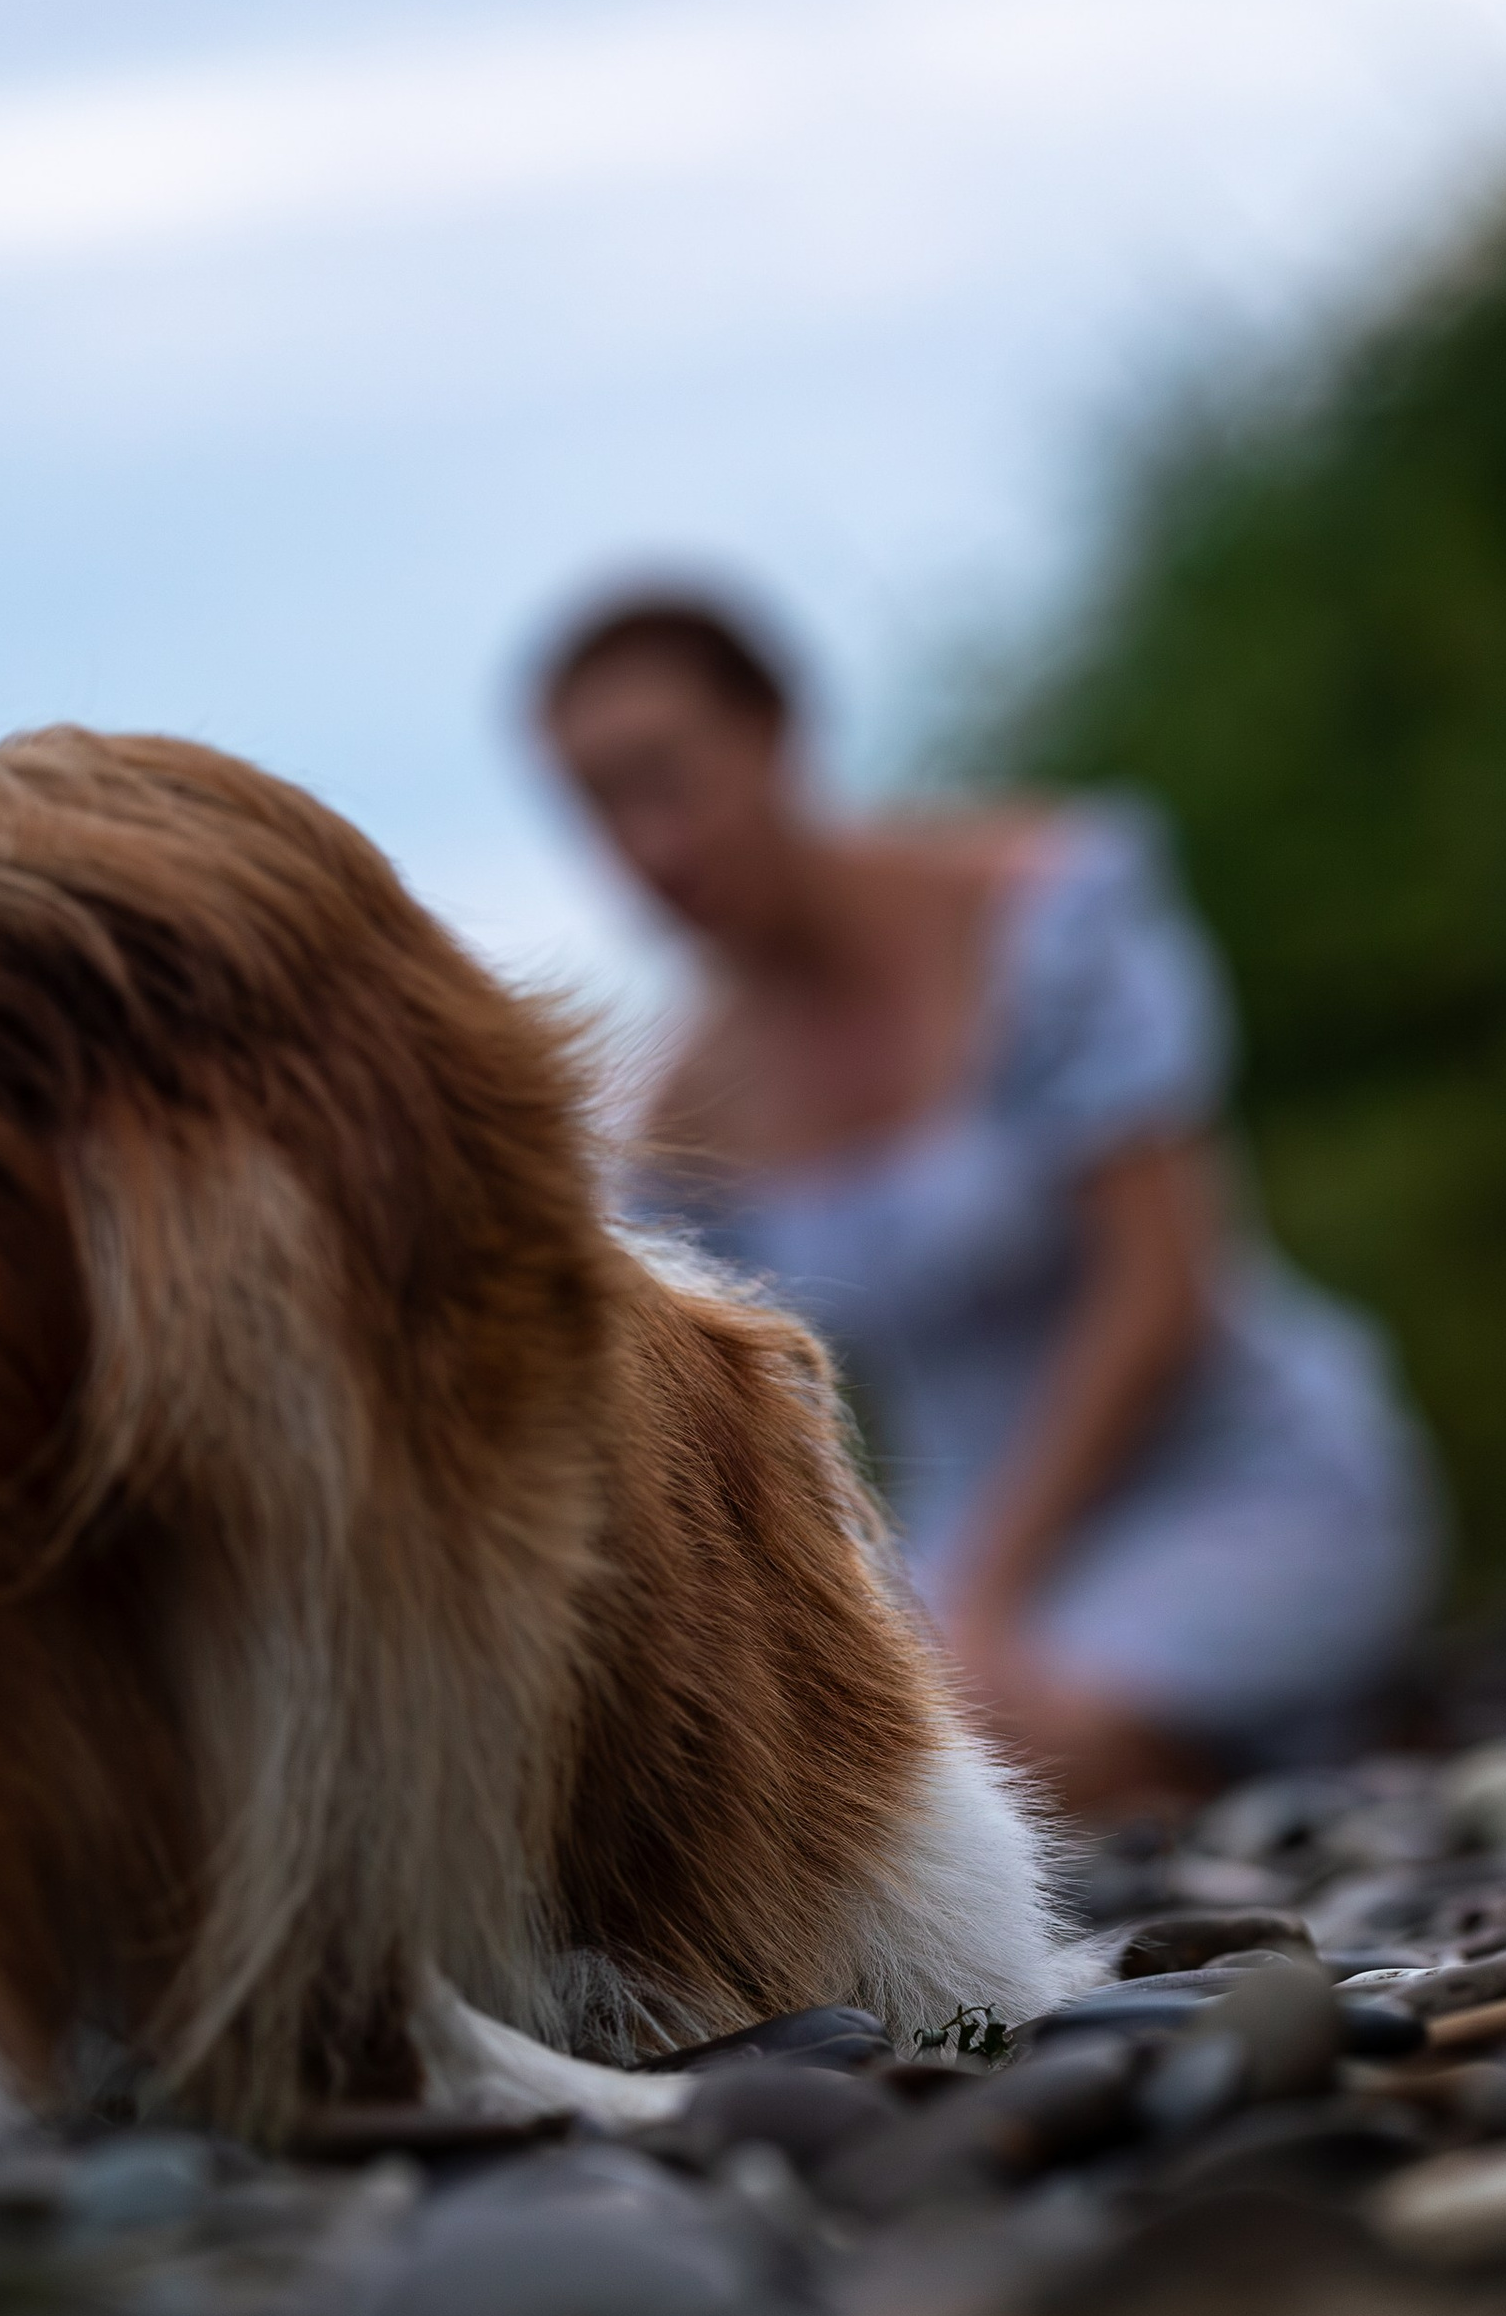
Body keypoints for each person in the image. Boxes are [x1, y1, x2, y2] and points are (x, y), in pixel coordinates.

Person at [532, 586, 1444, 1819]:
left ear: (774, 732)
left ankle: (1265, 1755)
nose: (649, 844)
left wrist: (986, 1593)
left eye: (663, 777)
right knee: (801, 1777)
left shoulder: (1040, 911)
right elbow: (687, 1430)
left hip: (1237, 1478)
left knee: (966, 1765)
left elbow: (1163, 1284)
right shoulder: (685, 1110)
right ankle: (1257, 1748)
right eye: (598, 806)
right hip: (965, 1551)